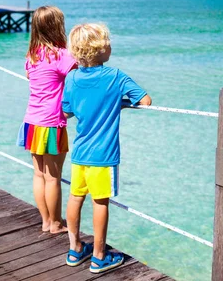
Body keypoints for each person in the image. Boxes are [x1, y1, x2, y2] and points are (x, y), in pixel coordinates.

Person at [62, 23, 151, 274]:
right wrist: (119, 103)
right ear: (99, 50)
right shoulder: (115, 76)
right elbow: (145, 100)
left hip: (80, 153)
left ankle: (74, 249)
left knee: (75, 197)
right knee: (101, 203)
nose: (111, 46)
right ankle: (99, 256)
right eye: (107, 43)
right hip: (103, 156)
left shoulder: (72, 77)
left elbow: (66, 111)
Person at [16, 6, 76, 234]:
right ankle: (56, 223)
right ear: (57, 28)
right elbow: (78, 75)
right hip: (52, 124)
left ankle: (45, 221)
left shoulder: (32, 56)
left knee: (39, 174)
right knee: (53, 178)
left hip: (31, 121)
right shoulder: (62, 56)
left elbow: (31, 76)